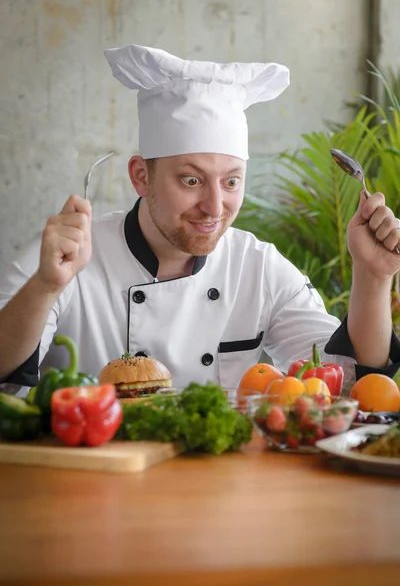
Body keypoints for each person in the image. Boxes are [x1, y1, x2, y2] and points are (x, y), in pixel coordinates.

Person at [1, 43, 400, 396]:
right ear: (142, 176)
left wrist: (373, 276)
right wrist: (45, 287)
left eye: (231, 181)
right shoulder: (67, 256)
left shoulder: (256, 266)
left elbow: (349, 381)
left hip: (221, 480)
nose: (214, 206)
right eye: (191, 180)